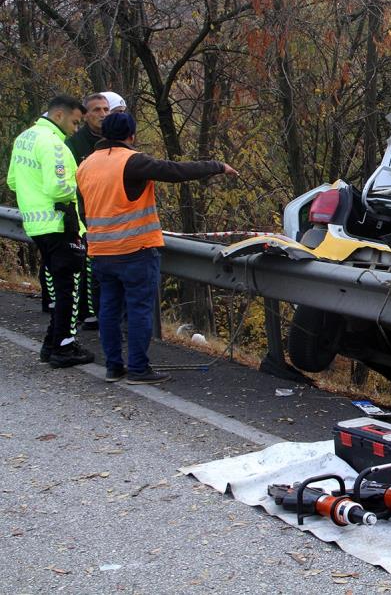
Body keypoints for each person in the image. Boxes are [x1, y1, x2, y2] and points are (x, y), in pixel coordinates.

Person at [77, 112, 238, 384]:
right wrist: (217, 165)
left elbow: (85, 208)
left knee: (109, 310)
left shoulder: (85, 165)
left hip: (100, 251)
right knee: (139, 310)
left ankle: (113, 367)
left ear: (103, 134)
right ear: (131, 135)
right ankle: (138, 368)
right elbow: (175, 171)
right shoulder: (132, 161)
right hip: (134, 250)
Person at [7, 95, 96, 368]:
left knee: (59, 287)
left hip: (36, 224)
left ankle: (52, 343)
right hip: (60, 224)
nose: (76, 129)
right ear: (59, 115)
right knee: (69, 287)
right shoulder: (54, 145)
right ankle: (64, 347)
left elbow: (12, 181)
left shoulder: (24, 138)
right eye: (75, 122)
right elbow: (59, 189)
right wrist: (79, 185)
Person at [66, 92, 111, 330]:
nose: (102, 114)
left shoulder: (115, 139)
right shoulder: (73, 143)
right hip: (84, 214)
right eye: (97, 110)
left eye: (106, 109)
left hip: (111, 213)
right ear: (85, 115)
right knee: (87, 266)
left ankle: (108, 314)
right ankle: (88, 313)